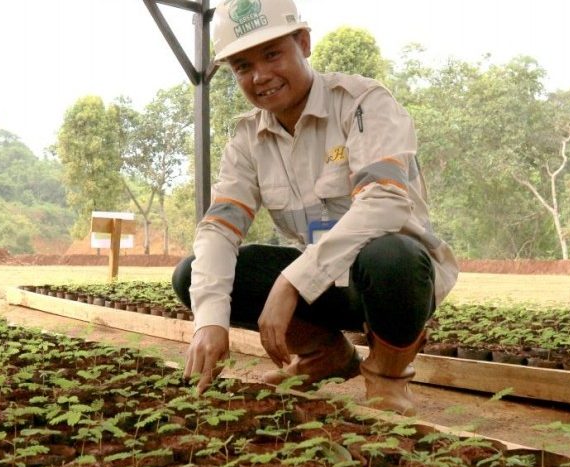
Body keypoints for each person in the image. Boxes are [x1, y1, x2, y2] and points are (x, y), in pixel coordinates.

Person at [172, 0, 458, 415]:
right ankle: (324, 356)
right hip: (325, 281)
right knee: (191, 274)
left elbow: (385, 201)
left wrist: (292, 281)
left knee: (390, 255)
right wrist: (210, 320)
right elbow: (219, 228)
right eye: (242, 66)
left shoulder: (363, 103)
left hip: (390, 278)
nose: (261, 76)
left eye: (272, 54)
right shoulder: (248, 139)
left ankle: (388, 375)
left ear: (303, 43)